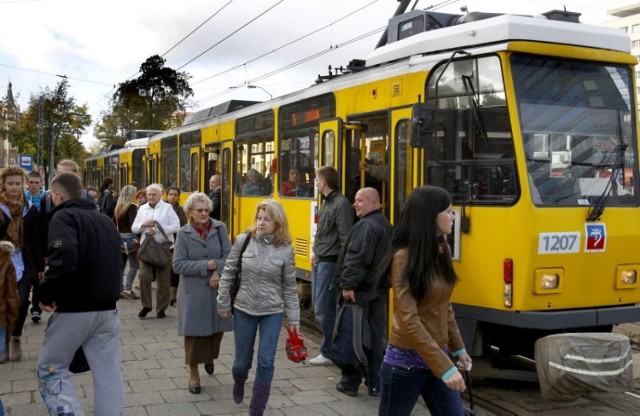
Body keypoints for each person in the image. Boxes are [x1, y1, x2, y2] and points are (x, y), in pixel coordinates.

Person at [375, 186, 472, 416]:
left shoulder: (442, 249)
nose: (453, 216)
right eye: (448, 211)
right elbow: (409, 318)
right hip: (405, 365)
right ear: (430, 216)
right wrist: (446, 368)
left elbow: (444, 306)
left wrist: (458, 348)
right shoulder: (402, 257)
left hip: (438, 358)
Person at [36, 171, 124, 415]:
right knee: (108, 372)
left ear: (57, 195)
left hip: (74, 307)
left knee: (50, 368)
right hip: (107, 309)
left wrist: (45, 294)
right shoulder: (103, 219)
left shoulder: (63, 217)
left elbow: (63, 258)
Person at [217, 199, 299, 416]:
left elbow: (290, 287)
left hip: (272, 312)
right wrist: (223, 302)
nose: (261, 223)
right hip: (244, 308)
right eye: (259, 218)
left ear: (278, 223)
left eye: (267, 219)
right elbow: (228, 273)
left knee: (266, 361)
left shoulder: (285, 249)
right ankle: (239, 379)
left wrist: (294, 320)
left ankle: (257, 408)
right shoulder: (244, 240)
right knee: (242, 362)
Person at [331, 187, 392, 397]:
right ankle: (375, 383)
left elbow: (356, 258)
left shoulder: (365, 226)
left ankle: (350, 383)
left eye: (359, 201)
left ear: (373, 203)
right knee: (375, 338)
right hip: (378, 291)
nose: (354, 204)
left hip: (359, 292)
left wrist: (348, 285)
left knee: (354, 337)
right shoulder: (385, 225)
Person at [173, 192, 233, 395]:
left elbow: (230, 256)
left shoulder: (220, 228)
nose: (204, 213)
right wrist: (205, 265)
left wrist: (216, 268)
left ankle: (209, 357)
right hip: (193, 292)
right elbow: (178, 265)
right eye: (200, 210)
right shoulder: (183, 233)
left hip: (217, 291)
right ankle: (194, 374)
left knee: (216, 332)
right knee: (194, 336)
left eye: (207, 209)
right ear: (190, 212)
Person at [309, 165, 354, 366]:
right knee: (321, 307)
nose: (315, 183)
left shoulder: (341, 204)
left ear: (324, 182)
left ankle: (329, 351)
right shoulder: (327, 202)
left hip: (330, 263)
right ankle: (330, 349)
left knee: (323, 308)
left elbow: (346, 239)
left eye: (317, 179)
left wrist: (344, 269)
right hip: (320, 260)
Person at [0, 166, 44, 361]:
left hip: (24, 262)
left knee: (22, 300)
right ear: (3, 185)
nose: (14, 187)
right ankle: (3, 343)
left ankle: (16, 337)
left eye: (18, 183)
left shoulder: (31, 211)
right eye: (10, 184)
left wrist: (41, 267)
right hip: (2, 261)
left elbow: (36, 240)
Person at [131, 183, 180, 319]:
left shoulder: (167, 208)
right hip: (147, 249)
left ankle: (161, 309)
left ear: (160, 195)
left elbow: (176, 225)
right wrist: (143, 225)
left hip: (164, 249)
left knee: (163, 281)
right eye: (149, 194)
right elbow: (134, 228)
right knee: (143, 276)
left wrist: (159, 229)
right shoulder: (142, 208)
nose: (151, 197)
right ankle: (146, 305)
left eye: (154, 194)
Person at [113, 185, 140, 300]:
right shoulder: (132, 207)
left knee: (121, 265)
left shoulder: (118, 207)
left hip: (119, 237)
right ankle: (127, 289)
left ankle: (119, 289)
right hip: (130, 238)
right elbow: (133, 224)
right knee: (134, 265)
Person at [25, 170, 44, 322]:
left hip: (42, 241)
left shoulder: (46, 198)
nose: (33, 185)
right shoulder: (23, 198)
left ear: (41, 183)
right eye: (31, 182)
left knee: (40, 277)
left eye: (36, 182)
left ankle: (36, 308)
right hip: (26, 242)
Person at [166, 186, 188, 306]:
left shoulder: (181, 210)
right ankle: (166, 292)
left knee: (174, 268)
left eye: (175, 195)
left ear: (178, 197)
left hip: (176, 241)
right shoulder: (163, 209)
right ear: (166, 195)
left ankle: (172, 294)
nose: (173, 197)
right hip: (163, 242)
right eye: (170, 194)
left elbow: (183, 226)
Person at [0, 240, 19, 364]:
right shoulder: (6, 262)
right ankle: (2, 352)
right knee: (1, 329)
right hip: (1, 307)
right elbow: (11, 290)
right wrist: (13, 309)